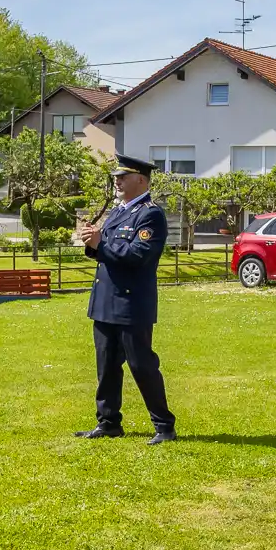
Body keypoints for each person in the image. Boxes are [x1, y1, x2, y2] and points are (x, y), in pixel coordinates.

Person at [74, 154, 176, 445]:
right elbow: (107, 251)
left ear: (141, 180)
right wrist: (92, 243)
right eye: (115, 177)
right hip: (106, 302)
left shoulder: (150, 214)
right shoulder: (119, 212)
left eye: (123, 176)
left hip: (131, 305)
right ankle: (108, 422)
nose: (116, 181)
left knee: (142, 366)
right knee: (105, 367)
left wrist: (100, 243)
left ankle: (164, 426)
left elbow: (138, 256)